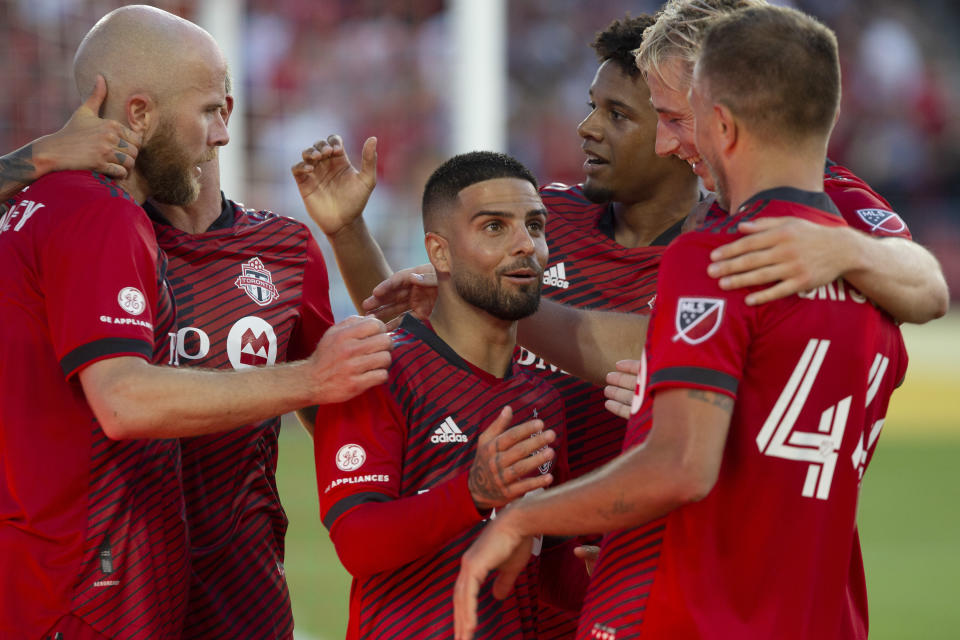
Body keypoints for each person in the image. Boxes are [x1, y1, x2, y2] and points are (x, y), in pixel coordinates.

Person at [453, 6, 907, 640]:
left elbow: (680, 465)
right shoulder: (873, 287)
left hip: (686, 604)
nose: (669, 142)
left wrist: (523, 519)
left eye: (672, 117)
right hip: (815, 608)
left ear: (722, 118)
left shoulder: (712, 253)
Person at [0, 6, 390, 639]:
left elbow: (354, 400)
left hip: (237, 591)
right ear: (140, 112)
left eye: (224, 108)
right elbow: (125, 400)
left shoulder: (283, 250)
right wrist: (38, 156)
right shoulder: (100, 224)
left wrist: (348, 235)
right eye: (207, 111)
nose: (224, 133)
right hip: (105, 576)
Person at [314, 151, 566, 639]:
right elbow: (357, 543)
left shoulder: (544, 398)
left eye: (534, 226)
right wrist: (470, 493)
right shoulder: (378, 371)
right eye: (495, 227)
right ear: (440, 252)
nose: (526, 246)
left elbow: (550, 564)